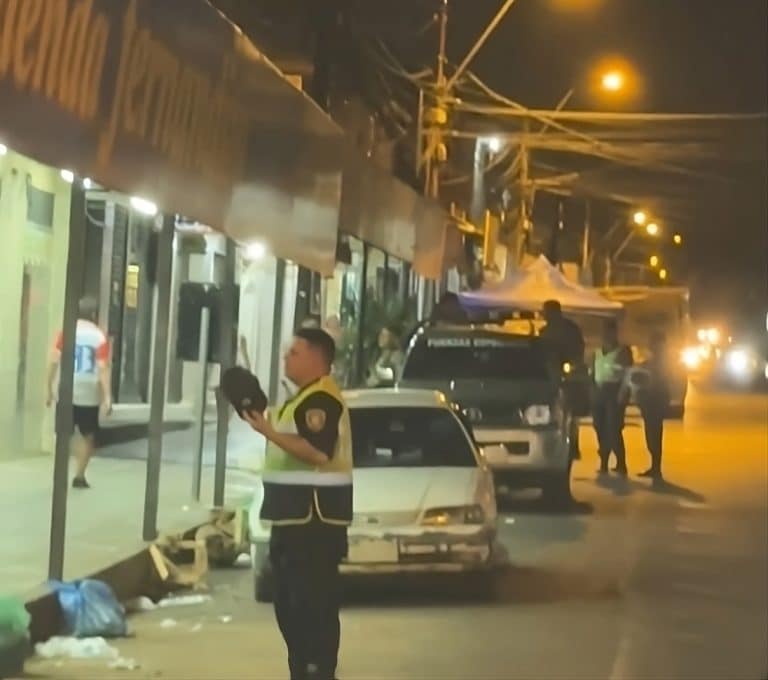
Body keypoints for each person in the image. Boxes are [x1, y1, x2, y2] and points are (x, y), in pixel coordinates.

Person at [242, 328, 352, 680]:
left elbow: (317, 450)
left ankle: (318, 670)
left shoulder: (322, 400)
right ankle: (301, 668)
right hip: (290, 517)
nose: (287, 358)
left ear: (318, 358)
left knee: (312, 604)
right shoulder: (299, 399)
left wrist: (269, 433)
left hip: (314, 520)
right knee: (289, 603)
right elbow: (279, 429)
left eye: (295, 353)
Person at [46, 297, 112, 489]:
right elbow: (103, 368)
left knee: (63, 434)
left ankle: (59, 475)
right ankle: (79, 476)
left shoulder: (65, 332)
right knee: (88, 435)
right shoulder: (100, 337)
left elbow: (53, 361)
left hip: (66, 389)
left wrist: (48, 389)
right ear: (94, 315)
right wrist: (107, 397)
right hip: (89, 392)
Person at [540, 300, 586, 460]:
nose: (544, 315)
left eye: (546, 312)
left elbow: (579, 350)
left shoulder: (570, 330)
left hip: (569, 378)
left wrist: (571, 366)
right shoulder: (544, 331)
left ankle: (573, 445)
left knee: (571, 414)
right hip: (551, 378)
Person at [592, 318, 633, 476]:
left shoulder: (623, 351)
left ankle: (621, 463)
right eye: (604, 332)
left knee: (614, 429)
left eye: (609, 331)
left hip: (614, 391)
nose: (606, 335)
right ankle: (603, 462)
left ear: (614, 332)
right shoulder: (597, 351)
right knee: (599, 427)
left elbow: (628, 374)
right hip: (599, 391)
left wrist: (623, 393)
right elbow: (593, 371)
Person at [629, 332, 671, 481]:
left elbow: (661, 383)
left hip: (656, 402)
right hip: (649, 402)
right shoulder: (653, 361)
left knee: (654, 435)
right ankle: (654, 467)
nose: (652, 346)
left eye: (654, 343)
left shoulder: (663, 362)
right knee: (651, 435)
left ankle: (656, 468)